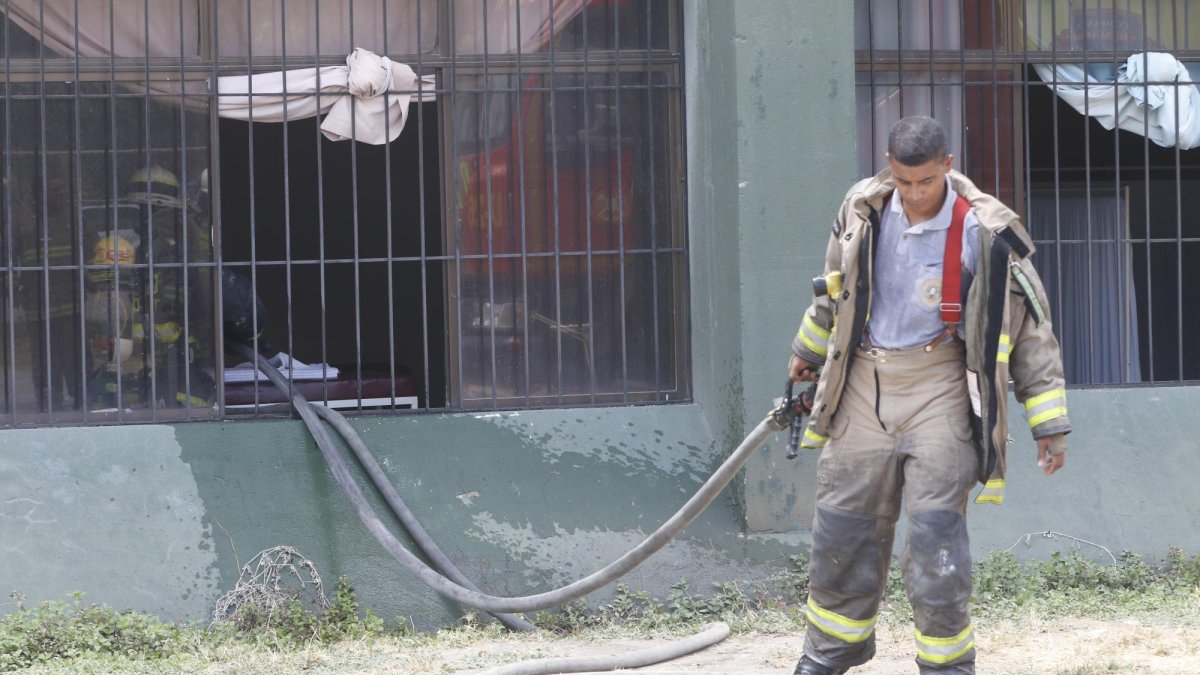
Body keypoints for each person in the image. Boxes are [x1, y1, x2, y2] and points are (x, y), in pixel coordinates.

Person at [787, 116, 1069, 675]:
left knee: (936, 535)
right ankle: (829, 654)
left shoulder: (986, 231)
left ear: (948, 163)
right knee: (843, 525)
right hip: (863, 383)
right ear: (890, 170)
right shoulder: (862, 210)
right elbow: (833, 290)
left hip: (940, 385)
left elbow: (1032, 329)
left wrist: (1049, 425)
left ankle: (946, 665)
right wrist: (807, 352)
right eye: (904, 181)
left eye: (926, 181)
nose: (914, 195)